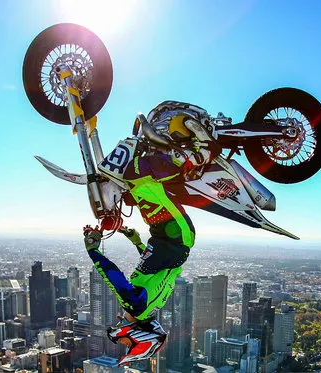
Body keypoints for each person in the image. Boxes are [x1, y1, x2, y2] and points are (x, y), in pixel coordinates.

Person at [82, 102, 221, 364]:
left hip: (168, 236)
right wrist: (93, 252)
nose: (120, 334)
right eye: (126, 341)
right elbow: (114, 278)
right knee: (137, 172)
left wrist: (135, 241)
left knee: (133, 195)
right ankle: (201, 153)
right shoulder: (137, 305)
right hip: (174, 234)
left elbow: (154, 267)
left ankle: (160, 144)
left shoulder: (147, 302)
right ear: (138, 335)